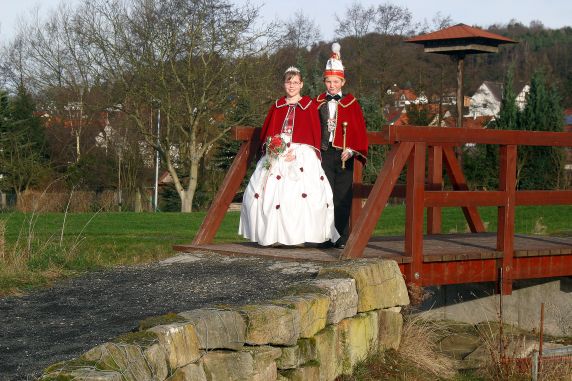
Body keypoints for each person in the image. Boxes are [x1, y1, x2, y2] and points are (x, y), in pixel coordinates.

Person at [239, 67, 339, 246]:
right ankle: (273, 236)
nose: (291, 86)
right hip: (277, 154)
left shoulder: (309, 106)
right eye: (288, 82)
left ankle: (298, 238)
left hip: (301, 153)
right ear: (284, 84)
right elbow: (267, 135)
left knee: (298, 194)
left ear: (301, 84)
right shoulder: (276, 107)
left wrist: (299, 150)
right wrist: (274, 147)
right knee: (264, 192)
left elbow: (313, 135)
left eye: (295, 82)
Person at [316, 43, 368, 249]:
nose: (332, 85)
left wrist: (352, 149)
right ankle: (324, 235)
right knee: (323, 195)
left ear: (342, 82)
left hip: (344, 155)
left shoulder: (351, 103)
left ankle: (341, 236)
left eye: (335, 81)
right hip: (324, 153)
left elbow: (359, 130)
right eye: (328, 81)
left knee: (342, 197)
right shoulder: (318, 101)